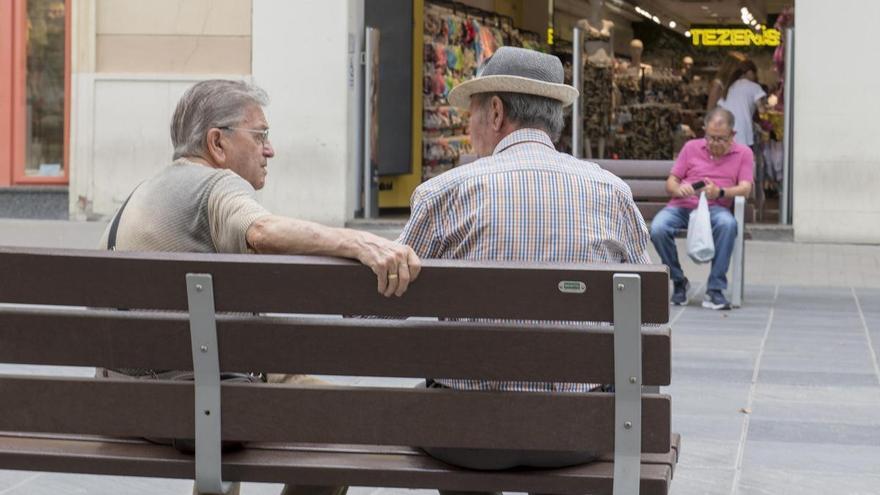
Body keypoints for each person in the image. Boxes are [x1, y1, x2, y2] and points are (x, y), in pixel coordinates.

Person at [99, 79, 421, 495]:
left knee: (275, 379)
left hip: (121, 401)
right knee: (347, 419)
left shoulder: (140, 196)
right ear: (217, 143)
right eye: (261, 136)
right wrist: (363, 242)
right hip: (196, 405)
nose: (270, 149)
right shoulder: (214, 185)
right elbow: (262, 230)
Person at [397, 46, 651, 490]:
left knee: (435, 403)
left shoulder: (445, 192)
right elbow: (647, 304)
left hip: (467, 436)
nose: (468, 125)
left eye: (472, 112)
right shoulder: (610, 192)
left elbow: (370, 308)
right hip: (575, 432)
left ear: (495, 112)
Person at [649, 107, 753, 310]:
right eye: (710, 137)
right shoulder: (691, 147)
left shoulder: (743, 153)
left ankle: (715, 289)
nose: (714, 143)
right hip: (682, 206)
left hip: (716, 207)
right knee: (658, 228)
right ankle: (678, 281)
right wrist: (680, 189)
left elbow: (746, 188)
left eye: (720, 139)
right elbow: (671, 183)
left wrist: (720, 192)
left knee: (728, 224)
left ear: (732, 135)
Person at [719, 59, 767, 148]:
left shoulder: (729, 87)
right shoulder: (754, 87)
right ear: (749, 72)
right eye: (754, 73)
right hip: (743, 134)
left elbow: (720, 110)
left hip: (726, 134)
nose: (755, 77)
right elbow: (762, 111)